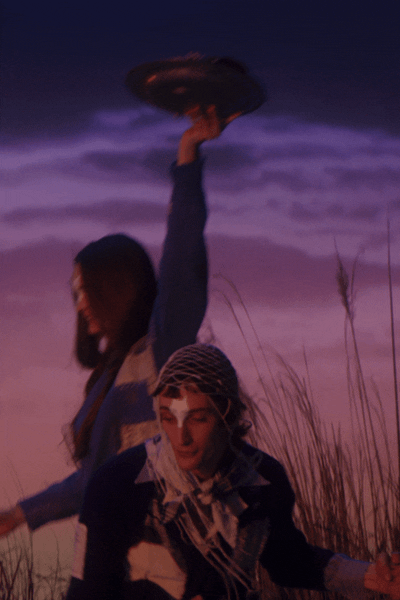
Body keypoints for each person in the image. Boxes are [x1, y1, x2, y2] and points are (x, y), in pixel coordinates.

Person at [0, 105, 238, 538]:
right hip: (111, 556)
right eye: (75, 292)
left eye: (87, 290)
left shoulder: (162, 351)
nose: (80, 304)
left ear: (118, 290)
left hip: (163, 556)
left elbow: (182, 260)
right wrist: (18, 515)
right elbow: (94, 481)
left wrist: (187, 153)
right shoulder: (109, 376)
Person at [66, 343, 400, 600]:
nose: (181, 438)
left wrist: (370, 575)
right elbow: (86, 594)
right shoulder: (116, 485)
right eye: (168, 418)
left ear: (228, 415)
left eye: (197, 418)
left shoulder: (262, 480)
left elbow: (290, 561)